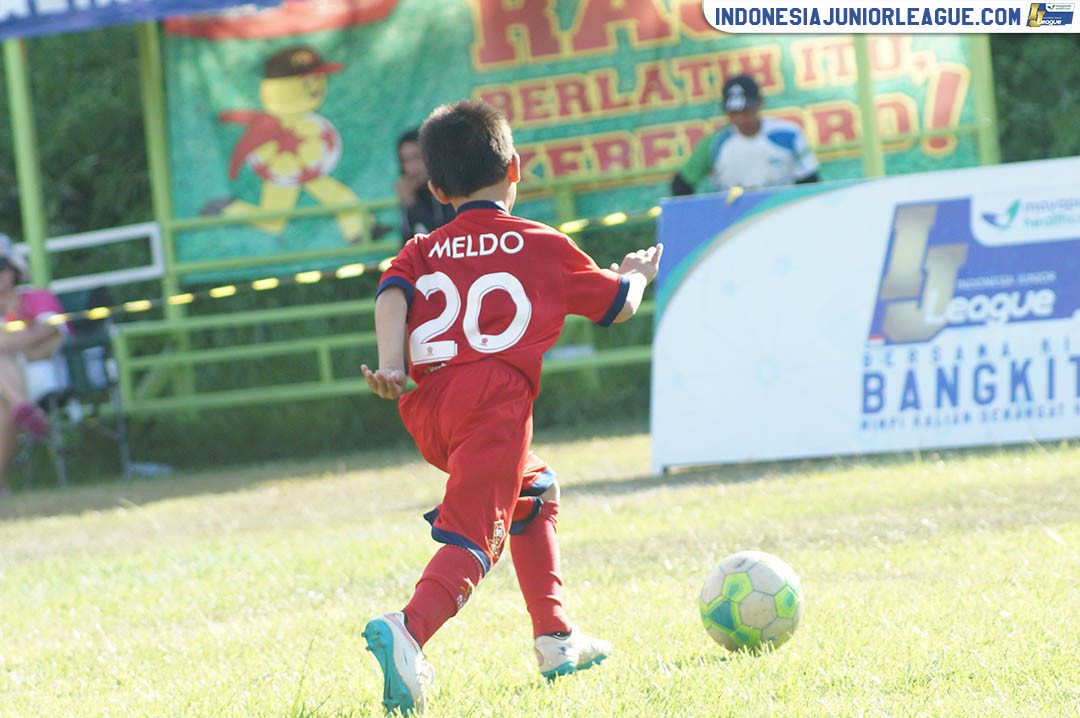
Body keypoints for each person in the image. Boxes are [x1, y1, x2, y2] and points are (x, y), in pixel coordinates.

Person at [360, 99, 662, 715]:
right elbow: (618, 306)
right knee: (476, 538)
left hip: (427, 409)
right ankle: (409, 630)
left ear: (438, 188)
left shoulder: (422, 248)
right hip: (492, 404)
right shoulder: (540, 244)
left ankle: (556, 638)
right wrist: (634, 274)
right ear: (516, 168)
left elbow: (391, 290)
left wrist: (392, 363)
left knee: (535, 487)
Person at [671, 74, 820, 196]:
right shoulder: (714, 143)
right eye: (733, 112)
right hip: (733, 221)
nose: (740, 118)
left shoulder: (788, 135)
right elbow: (682, 183)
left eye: (746, 110)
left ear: (760, 103)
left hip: (780, 213)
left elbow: (809, 181)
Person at [0, 235, 69, 496]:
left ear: (15, 269)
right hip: (13, 382)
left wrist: (12, 343)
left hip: (40, 374)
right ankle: (20, 405)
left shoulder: (36, 298)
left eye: (0, 265)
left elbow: (54, 330)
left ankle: (18, 403)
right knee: (5, 410)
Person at [394, 127, 456, 242]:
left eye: (417, 157)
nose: (412, 167)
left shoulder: (451, 189)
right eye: (405, 160)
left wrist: (413, 204)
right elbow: (407, 242)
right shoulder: (410, 191)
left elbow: (445, 240)